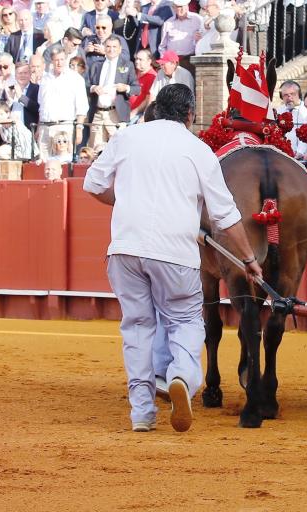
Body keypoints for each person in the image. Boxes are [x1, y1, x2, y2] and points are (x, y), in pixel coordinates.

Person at [83, 83, 263, 433]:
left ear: (154, 108)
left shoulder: (126, 138)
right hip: (175, 252)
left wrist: (126, 202)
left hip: (125, 249)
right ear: (190, 115)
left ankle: (141, 415)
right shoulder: (198, 150)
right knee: (184, 322)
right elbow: (225, 216)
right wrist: (248, 259)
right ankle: (180, 374)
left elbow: (93, 184)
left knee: (137, 328)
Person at [86, 36, 139, 149]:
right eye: (108, 46)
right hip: (98, 113)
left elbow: (137, 88)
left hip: (115, 113)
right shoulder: (96, 65)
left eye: (114, 47)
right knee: (96, 150)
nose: (111, 49)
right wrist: (93, 88)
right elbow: (86, 84)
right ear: (104, 48)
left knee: (118, 148)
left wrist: (126, 88)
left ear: (120, 49)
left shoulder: (127, 65)